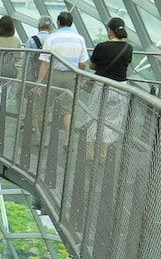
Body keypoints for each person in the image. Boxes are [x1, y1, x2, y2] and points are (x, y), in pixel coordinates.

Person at [85, 17, 133, 156]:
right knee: (111, 120)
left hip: (102, 86)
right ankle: (103, 154)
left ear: (110, 31)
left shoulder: (101, 47)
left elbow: (92, 64)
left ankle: (89, 153)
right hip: (121, 88)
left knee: (94, 117)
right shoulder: (128, 48)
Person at [36, 11, 90, 133]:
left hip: (53, 75)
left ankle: (43, 139)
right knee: (68, 109)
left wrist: (39, 81)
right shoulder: (80, 39)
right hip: (71, 76)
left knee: (44, 107)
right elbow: (82, 64)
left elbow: (45, 62)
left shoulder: (52, 38)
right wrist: (79, 75)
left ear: (58, 23)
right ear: (71, 23)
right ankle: (67, 139)